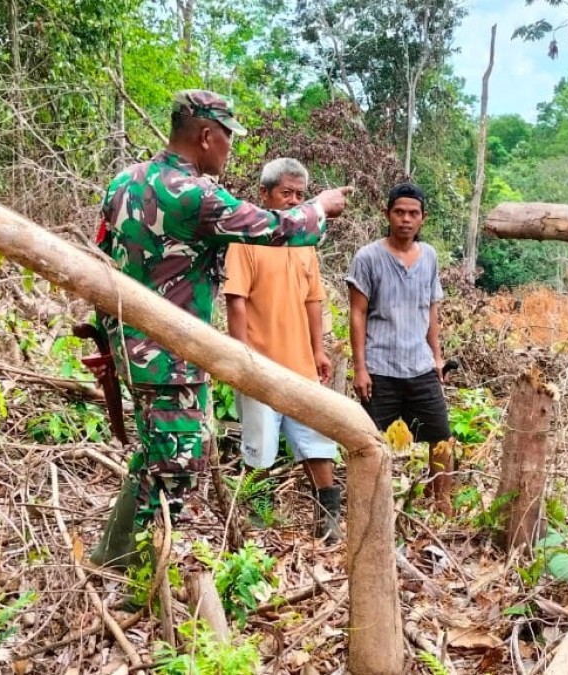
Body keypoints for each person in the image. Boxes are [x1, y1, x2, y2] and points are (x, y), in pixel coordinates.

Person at [90, 90, 352, 569]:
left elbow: (101, 259)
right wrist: (318, 207)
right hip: (170, 352)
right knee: (178, 459)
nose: (230, 148)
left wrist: (108, 339)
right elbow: (276, 230)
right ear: (206, 135)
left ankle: (117, 549)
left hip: (131, 345)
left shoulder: (122, 183)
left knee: (157, 447)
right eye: (228, 137)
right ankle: (137, 563)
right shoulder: (193, 193)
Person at [224, 158, 342, 541]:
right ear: (265, 194)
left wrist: (319, 350)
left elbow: (313, 301)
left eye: (299, 195)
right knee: (259, 449)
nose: (293, 201)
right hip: (260, 364)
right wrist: (242, 358)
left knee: (316, 442)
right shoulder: (246, 239)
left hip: (301, 366)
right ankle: (256, 527)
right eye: (285, 193)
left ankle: (329, 520)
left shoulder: (305, 243)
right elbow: (236, 299)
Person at [346, 182, 454, 514]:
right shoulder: (368, 258)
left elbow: (431, 308)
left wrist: (436, 356)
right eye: (399, 212)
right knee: (371, 443)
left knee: (441, 437)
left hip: (419, 366)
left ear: (422, 218)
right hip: (380, 368)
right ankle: (372, 507)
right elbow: (357, 313)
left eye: (413, 213)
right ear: (387, 214)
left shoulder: (430, 256)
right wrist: (360, 368)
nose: (406, 219)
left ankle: (443, 505)